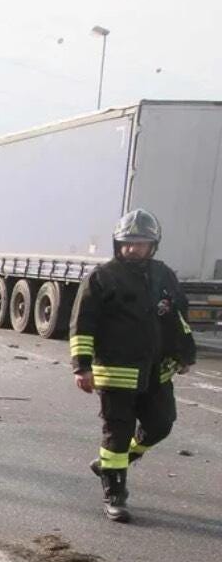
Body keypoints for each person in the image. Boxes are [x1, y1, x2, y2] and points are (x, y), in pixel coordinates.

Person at [70, 209, 196, 522]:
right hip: (116, 373)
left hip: (157, 370)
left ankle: (113, 462)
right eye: (127, 242)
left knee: (161, 424)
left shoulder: (164, 275)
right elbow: (82, 325)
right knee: (117, 431)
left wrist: (185, 354)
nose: (133, 248)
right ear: (118, 243)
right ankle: (115, 494)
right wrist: (81, 367)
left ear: (153, 245)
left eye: (140, 242)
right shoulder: (102, 278)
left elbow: (178, 316)